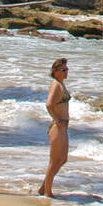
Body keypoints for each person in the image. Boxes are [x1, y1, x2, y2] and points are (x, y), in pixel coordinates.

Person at [38, 57, 70, 197]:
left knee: (63, 159)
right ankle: (48, 192)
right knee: (54, 160)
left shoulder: (61, 84)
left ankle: (43, 187)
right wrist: (57, 120)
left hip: (63, 127)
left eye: (67, 69)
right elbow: (49, 104)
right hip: (57, 127)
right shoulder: (56, 84)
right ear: (55, 71)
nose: (66, 72)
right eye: (63, 70)